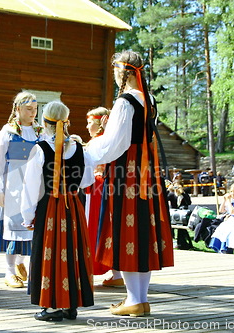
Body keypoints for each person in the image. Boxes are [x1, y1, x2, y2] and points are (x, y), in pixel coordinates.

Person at [85, 50, 174, 317]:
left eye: (114, 70)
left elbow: (115, 144)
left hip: (127, 172)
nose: (113, 75)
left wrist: (87, 153)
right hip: (147, 173)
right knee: (142, 233)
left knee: (125, 232)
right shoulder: (150, 99)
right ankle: (139, 298)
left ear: (123, 72)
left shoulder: (125, 102)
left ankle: (135, 299)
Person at [21, 101, 95, 322]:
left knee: (50, 253)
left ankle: (52, 307)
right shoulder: (80, 148)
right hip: (73, 206)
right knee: (72, 252)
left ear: (45, 122)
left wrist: (27, 216)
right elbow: (87, 181)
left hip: (50, 207)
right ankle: (71, 305)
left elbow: (31, 187)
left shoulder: (40, 149)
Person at [0, 91, 43, 288]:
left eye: (35, 109)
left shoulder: (40, 132)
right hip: (14, 183)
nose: (33, 113)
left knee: (31, 226)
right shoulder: (7, 133)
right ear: (18, 109)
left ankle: (21, 264)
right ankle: (9, 271)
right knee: (13, 226)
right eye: (29, 109)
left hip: (35, 184)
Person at [85, 107, 123, 287]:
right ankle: (116, 273)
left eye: (90, 122)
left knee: (94, 227)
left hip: (96, 187)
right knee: (110, 228)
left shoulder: (96, 143)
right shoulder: (113, 141)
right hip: (110, 187)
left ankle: (89, 269)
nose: (87, 126)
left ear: (100, 122)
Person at [209, 183, 234, 253]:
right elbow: (221, 210)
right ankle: (220, 250)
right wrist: (225, 200)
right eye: (231, 191)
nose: (233, 194)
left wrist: (228, 201)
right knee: (220, 230)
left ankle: (226, 249)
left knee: (228, 232)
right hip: (230, 220)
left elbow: (233, 211)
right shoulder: (231, 201)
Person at [167, 181, 192, 250]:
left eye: (178, 186)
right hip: (174, 214)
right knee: (171, 228)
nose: (176, 188)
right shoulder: (171, 194)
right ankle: (171, 241)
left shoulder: (184, 194)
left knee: (182, 229)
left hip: (182, 214)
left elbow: (189, 202)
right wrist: (168, 189)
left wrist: (183, 193)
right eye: (175, 186)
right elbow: (165, 199)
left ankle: (182, 243)